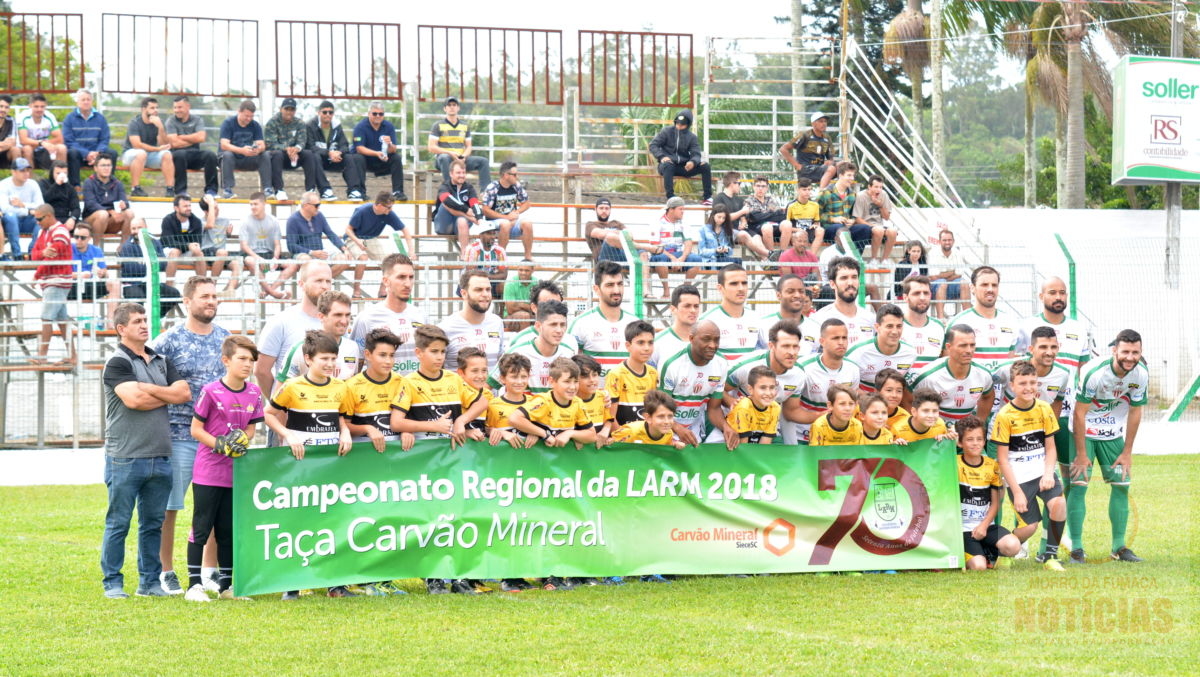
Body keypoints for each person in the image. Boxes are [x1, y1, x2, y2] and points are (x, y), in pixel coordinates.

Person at [100, 302, 191, 599]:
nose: (143, 325)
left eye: (145, 320)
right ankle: (112, 583)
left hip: (161, 454)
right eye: (136, 321)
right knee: (119, 522)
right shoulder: (117, 362)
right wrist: (165, 395)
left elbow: (184, 393)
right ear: (121, 329)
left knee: (153, 523)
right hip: (125, 456)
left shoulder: (160, 360)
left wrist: (148, 389)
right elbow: (134, 401)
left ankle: (149, 583)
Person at [146, 276, 230, 594]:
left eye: (214, 296)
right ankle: (166, 570)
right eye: (204, 296)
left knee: (214, 505)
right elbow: (147, 376)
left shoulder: (227, 340)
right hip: (180, 434)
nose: (211, 301)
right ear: (187, 301)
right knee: (171, 507)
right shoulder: (167, 341)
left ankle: (210, 570)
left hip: (217, 438)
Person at [265, 330, 355, 599]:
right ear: (307, 358)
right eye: (324, 358)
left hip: (331, 467)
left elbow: (342, 418)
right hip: (301, 467)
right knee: (299, 523)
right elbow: (269, 414)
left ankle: (335, 584)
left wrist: (346, 432)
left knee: (333, 521)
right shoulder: (292, 387)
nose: (329, 364)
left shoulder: (341, 387)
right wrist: (288, 435)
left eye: (333, 358)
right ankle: (291, 584)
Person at [182, 335, 264, 602]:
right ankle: (194, 585)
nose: (247, 364)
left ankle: (226, 586)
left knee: (228, 529)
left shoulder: (253, 392)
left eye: (251, 360)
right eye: (241, 358)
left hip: (236, 473)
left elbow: (252, 426)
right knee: (202, 527)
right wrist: (220, 444)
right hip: (208, 472)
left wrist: (244, 438)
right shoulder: (211, 391)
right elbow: (196, 429)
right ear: (226, 360)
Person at [1069, 329, 1147, 565]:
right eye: (1125, 351)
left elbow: (1135, 411)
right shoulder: (1094, 371)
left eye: (1135, 352)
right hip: (1084, 429)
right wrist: (1082, 455)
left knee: (1122, 485)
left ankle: (1119, 547)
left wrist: (1127, 452)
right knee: (1079, 486)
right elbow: (1079, 413)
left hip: (1112, 431)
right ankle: (1077, 548)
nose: (1130, 357)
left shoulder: (1141, 374)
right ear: (1114, 350)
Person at [993, 360, 1067, 572]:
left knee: (1059, 505)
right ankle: (1005, 550)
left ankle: (1050, 556)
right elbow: (1003, 460)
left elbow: (1051, 448)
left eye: (1032, 382)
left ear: (1038, 384)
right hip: (1019, 478)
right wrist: (1016, 492)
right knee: (1029, 528)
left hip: (1042, 472)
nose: (1028, 388)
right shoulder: (1005, 415)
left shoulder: (1044, 408)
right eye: (1022, 383)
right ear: (1012, 386)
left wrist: (1048, 474)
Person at [1016, 276, 1095, 477]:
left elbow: (1084, 370)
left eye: (1062, 292)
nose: (1058, 297)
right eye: (1052, 292)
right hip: (1033, 410)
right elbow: (1016, 366)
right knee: (1036, 472)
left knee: (1070, 471)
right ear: (1041, 296)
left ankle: (1065, 508)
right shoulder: (1026, 326)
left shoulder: (1079, 328)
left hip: (1068, 410)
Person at [254, 260, 332, 396]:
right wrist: (279, 406)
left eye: (328, 281)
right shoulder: (281, 321)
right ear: (301, 284)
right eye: (318, 281)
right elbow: (261, 371)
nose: (324, 286)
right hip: (290, 410)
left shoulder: (335, 323)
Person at [725, 320, 807, 445]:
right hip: (733, 426)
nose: (792, 352)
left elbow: (790, 411)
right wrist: (732, 403)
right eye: (786, 346)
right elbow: (717, 389)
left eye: (795, 347)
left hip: (767, 428)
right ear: (771, 346)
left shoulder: (799, 374)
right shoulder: (747, 366)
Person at [956, 415, 1020, 570]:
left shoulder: (992, 466)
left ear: (984, 441)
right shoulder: (953, 463)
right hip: (963, 528)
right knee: (978, 567)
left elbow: (996, 502)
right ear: (959, 442)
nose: (975, 443)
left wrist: (984, 526)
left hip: (986, 525)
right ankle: (980, 554)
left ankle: (987, 550)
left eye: (979, 439)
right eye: (970, 439)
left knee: (1013, 546)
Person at [350, 254, 427, 376]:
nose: (408, 283)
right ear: (386, 281)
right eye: (401, 277)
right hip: (382, 393)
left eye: (411, 277)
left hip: (415, 393)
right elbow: (356, 365)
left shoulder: (420, 316)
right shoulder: (367, 318)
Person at [658, 320, 730, 449]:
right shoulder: (672, 364)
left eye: (716, 340)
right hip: (668, 428)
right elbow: (660, 409)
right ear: (691, 338)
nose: (713, 345)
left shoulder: (721, 363)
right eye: (706, 339)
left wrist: (725, 427)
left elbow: (713, 408)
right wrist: (678, 428)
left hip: (695, 431)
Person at [904, 324, 994, 422]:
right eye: (963, 345)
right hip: (936, 433)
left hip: (965, 433)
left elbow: (988, 397)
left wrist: (978, 423)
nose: (969, 350)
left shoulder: (983, 374)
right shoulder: (927, 375)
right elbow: (907, 399)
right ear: (948, 347)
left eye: (972, 345)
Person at [344, 328, 412, 452]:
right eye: (382, 355)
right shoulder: (351, 386)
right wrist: (367, 428)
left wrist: (407, 430)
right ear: (367, 355)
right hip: (364, 455)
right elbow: (344, 426)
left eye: (392, 355)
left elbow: (408, 418)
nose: (388, 361)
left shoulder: (402, 382)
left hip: (397, 454)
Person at [509, 357, 597, 450]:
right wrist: (544, 434)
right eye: (567, 382)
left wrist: (570, 433)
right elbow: (514, 418)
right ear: (551, 381)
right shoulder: (543, 401)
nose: (572, 387)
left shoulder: (578, 403)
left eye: (576, 382)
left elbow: (592, 435)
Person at [796, 319, 862, 444]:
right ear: (822, 341)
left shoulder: (853, 368)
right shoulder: (803, 367)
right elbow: (790, 409)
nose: (841, 342)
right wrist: (821, 416)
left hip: (838, 438)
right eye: (835, 338)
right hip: (802, 436)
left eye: (844, 338)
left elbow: (853, 404)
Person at [276, 290, 361, 382]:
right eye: (338, 315)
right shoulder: (300, 349)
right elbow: (281, 391)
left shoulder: (353, 347)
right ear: (321, 316)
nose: (344, 321)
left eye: (347, 315)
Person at [493, 300, 576, 393]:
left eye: (563, 325)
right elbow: (488, 385)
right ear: (538, 326)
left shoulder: (569, 353)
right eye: (553, 324)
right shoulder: (517, 352)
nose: (559, 330)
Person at [570, 261, 637, 375]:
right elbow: (569, 365)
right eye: (610, 285)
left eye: (620, 284)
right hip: (595, 392)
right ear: (596, 289)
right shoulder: (581, 323)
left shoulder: (634, 323)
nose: (616, 290)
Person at [949, 266, 1019, 372]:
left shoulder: (1011, 321)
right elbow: (948, 362)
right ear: (972, 288)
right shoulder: (958, 322)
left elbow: (1010, 362)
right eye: (984, 285)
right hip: (972, 388)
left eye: (994, 285)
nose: (990, 289)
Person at [801, 256, 876, 354]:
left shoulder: (870, 318)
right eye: (844, 278)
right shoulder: (818, 319)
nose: (850, 282)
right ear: (832, 284)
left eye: (854, 277)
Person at [31, 205, 76, 364]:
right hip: (52, 280)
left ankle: (42, 356)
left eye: (39, 219)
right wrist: (42, 253)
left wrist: (37, 274)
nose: (37, 222)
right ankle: (73, 356)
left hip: (58, 281)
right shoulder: (44, 232)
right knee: (62, 320)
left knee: (46, 318)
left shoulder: (60, 232)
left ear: (49, 216)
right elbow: (34, 254)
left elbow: (51, 258)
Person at [343, 192, 409, 298]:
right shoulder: (362, 210)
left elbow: (405, 230)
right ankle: (356, 290)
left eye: (392, 207)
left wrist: (411, 251)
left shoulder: (389, 213)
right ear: (379, 205)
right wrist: (357, 241)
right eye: (388, 207)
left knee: (389, 261)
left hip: (371, 238)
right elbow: (348, 229)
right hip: (353, 237)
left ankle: (382, 290)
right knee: (363, 257)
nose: (390, 210)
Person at [699, 263, 764, 363]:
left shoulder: (756, 318)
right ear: (720, 288)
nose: (741, 288)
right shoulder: (707, 320)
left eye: (744, 283)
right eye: (734, 284)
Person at [117, 218, 182, 318]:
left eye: (139, 228)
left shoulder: (155, 242)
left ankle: (155, 318)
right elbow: (130, 269)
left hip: (152, 282)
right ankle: (140, 323)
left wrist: (142, 264)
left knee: (174, 294)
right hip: (132, 284)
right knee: (137, 298)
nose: (136, 231)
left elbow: (163, 264)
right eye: (133, 228)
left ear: (146, 228)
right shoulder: (127, 246)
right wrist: (152, 264)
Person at [443, 269, 506, 370]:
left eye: (488, 289)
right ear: (464, 294)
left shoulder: (497, 322)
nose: (485, 294)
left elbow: (500, 363)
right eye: (478, 290)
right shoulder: (446, 327)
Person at [240, 191, 299, 300]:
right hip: (253, 255)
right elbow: (244, 246)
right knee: (250, 261)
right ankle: (273, 293)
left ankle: (269, 290)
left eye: (255, 204)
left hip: (269, 256)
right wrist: (258, 258)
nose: (252, 207)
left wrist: (275, 259)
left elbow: (277, 244)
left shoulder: (273, 220)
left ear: (264, 204)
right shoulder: (245, 221)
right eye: (251, 204)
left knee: (293, 264)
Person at [845, 304, 917, 392]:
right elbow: (845, 385)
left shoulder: (910, 354)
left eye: (899, 326)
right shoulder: (857, 352)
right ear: (877, 327)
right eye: (889, 326)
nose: (895, 331)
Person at [307, 100, 367, 201]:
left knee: (348, 157)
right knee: (314, 156)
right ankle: (325, 190)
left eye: (330, 112)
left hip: (335, 159)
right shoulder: (310, 125)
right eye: (324, 112)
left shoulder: (336, 126)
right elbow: (310, 146)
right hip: (319, 160)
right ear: (318, 113)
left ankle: (354, 191)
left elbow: (344, 145)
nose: (328, 115)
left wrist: (339, 153)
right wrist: (329, 153)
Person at [649, 109, 712, 204]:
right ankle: (670, 197)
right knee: (668, 165)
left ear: (688, 125)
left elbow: (696, 153)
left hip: (684, 167)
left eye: (682, 125)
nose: (679, 126)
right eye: (677, 123)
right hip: (667, 166)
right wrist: (661, 157)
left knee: (705, 166)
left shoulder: (692, 137)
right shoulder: (666, 131)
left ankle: (707, 197)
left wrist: (693, 162)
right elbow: (653, 145)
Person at [604, 320, 659, 426]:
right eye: (640, 342)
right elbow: (610, 417)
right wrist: (623, 438)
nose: (647, 348)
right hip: (623, 439)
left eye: (650, 343)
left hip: (645, 438)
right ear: (628, 345)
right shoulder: (616, 374)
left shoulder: (653, 373)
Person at [428, 96, 490, 188]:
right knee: (444, 158)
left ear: (458, 108)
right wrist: (449, 153)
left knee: (483, 161)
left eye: (454, 105)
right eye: (449, 105)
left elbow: (469, 146)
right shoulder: (437, 125)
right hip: (444, 160)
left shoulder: (465, 126)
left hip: (461, 159)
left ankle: (485, 192)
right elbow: (431, 147)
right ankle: (450, 189)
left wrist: (463, 157)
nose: (452, 107)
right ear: (445, 109)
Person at [351, 101, 407, 201]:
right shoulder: (360, 127)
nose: (378, 116)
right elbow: (359, 148)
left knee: (396, 158)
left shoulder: (388, 126)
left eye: (381, 114)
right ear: (369, 114)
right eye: (374, 113)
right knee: (357, 158)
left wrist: (390, 144)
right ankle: (360, 192)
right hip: (366, 161)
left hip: (382, 160)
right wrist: (376, 153)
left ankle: (398, 192)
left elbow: (393, 149)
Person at [286, 190, 352, 276]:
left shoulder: (319, 216)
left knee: (344, 259)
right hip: (303, 254)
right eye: (317, 205)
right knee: (307, 261)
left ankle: (323, 280)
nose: (319, 208)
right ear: (306, 205)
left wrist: (344, 249)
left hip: (320, 253)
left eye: (319, 205)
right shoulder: (293, 220)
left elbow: (330, 234)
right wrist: (311, 252)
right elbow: (291, 246)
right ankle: (319, 282)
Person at [121, 97, 176, 198]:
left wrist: (160, 127)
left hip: (149, 155)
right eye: (152, 108)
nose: (156, 111)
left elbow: (164, 144)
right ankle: (135, 188)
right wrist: (157, 149)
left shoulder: (159, 122)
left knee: (167, 154)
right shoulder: (135, 123)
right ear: (143, 109)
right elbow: (137, 145)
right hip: (130, 154)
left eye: (157, 108)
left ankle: (170, 189)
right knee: (141, 153)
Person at [648, 196, 702, 296]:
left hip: (679, 254)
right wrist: (672, 258)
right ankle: (666, 290)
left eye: (683, 209)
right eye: (680, 209)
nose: (683, 212)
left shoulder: (684, 222)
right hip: (662, 253)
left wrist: (682, 258)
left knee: (697, 259)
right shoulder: (657, 222)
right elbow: (655, 245)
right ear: (671, 209)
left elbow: (688, 243)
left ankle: (685, 289)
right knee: (660, 259)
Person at [165, 95, 218, 198]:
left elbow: (201, 137)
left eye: (180, 107)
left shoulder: (197, 119)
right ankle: (181, 192)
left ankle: (211, 191)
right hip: (178, 157)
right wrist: (193, 139)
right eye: (175, 107)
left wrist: (182, 137)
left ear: (188, 106)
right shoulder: (170, 121)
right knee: (180, 154)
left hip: (194, 154)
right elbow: (174, 143)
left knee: (210, 155)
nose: (177, 110)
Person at [480, 161, 534, 260]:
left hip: (511, 222)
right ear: (505, 175)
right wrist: (507, 217)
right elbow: (485, 210)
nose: (516, 177)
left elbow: (527, 204)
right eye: (514, 174)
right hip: (493, 224)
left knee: (527, 223)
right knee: (505, 224)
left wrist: (516, 212)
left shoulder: (516, 186)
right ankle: (500, 257)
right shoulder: (493, 187)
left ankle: (528, 257)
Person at [264, 98, 317, 200]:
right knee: (276, 154)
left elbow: (302, 141)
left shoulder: (300, 123)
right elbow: (270, 143)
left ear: (295, 111)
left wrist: (296, 149)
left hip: (295, 156)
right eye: (286, 109)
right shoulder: (272, 122)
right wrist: (286, 149)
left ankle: (311, 189)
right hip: (280, 158)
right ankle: (279, 190)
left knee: (309, 154)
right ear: (281, 109)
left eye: (292, 109)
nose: (289, 112)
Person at [505, 280, 579, 353]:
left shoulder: (570, 342)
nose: (553, 309)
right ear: (534, 307)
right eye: (546, 304)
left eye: (557, 304)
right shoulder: (519, 341)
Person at [217, 100, 271, 199]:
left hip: (247, 158)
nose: (249, 119)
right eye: (246, 116)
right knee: (227, 155)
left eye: (251, 116)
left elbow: (262, 144)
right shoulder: (228, 123)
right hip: (231, 159)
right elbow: (224, 145)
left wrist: (257, 150)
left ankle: (268, 189)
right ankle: (227, 190)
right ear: (239, 111)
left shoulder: (255, 125)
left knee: (265, 154)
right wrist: (242, 150)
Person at [68, 223, 120, 323]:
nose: (78, 240)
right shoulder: (67, 249)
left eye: (82, 238)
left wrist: (102, 273)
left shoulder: (96, 250)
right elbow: (62, 273)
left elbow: (105, 272)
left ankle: (111, 323)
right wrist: (79, 275)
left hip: (91, 285)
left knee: (115, 284)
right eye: (76, 237)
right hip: (72, 287)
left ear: (89, 238)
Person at [82, 154, 132, 249]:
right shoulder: (89, 182)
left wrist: (123, 205)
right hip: (92, 221)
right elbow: (90, 204)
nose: (106, 168)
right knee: (102, 214)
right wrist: (110, 211)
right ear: (95, 168)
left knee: (129, 213)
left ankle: (124, 248)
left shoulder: (117, 183)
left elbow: (126, 202)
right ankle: (96, 249)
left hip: (112, 221)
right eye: (103, 165)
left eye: (108, 165)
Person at [62, 89, 111, 188]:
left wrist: (98, 152)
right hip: (78, 155)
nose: (86, 102)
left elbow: (105, 138)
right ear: (77, 101)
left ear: (92, 101)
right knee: (72, 153)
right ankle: (75, 186)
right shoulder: (69, 118)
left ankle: (107, 185)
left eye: (88, 99)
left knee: (112, 153)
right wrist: (86, 153)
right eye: (83, 99)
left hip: (97, 154)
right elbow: (69, 140)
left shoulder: (100, 118)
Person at [433, 159, 481, 256]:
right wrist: (466, 211)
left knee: (463, 220)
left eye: (463, 172)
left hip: (460, 225)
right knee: (445, 204)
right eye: (458, 173)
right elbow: (448, 203)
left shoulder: (469, 188)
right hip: (444, 226)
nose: (462, 175)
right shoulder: (444, 187)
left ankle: (464, 255)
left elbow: (474, 204)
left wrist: (479, 218)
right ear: (451, 174)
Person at [817, 161, 870, 249]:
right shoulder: (825, 193)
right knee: (840, 228)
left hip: (846, 228)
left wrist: (852, 221)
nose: (852, 178)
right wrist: (833, 219)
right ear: (840, 175)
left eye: (853, 175)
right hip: (829, 229)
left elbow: (854, 215)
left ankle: (855, 258)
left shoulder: (852, 195)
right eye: (849, 175)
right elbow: (815, 215)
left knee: (865, 229)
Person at [585, 197, 657, 263]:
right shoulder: (590, 224)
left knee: (642, 253)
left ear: (610, 210)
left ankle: (643, 277)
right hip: (604, 258)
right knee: (610, 237)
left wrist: (616, 233)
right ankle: (647, 247)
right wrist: (620, 233)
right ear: (595, 209)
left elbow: (630, 236)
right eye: (601, 208)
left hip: (620, 254)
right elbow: (601, 234)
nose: (604, 211)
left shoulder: (616, 223)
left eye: (607, 208)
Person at [779, 111, 837, 190]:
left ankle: (841, 195)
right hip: (806, 170)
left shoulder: (827, 138)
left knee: (844, 166)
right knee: (832, 169)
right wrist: (797, 165)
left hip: (820, 169)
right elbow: (783, 149)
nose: (824, 124)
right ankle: (822, 193)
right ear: (813, 124)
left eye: (825, 121)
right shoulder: (805, 135)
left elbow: (830, 158)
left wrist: (830, 161)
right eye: (820, 121)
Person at [611, 389, 685, 449]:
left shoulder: (668, 433)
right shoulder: (630, 431)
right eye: (661, 416)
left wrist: (675, 445)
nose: (667, 421)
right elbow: (610, 447)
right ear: (648, 418)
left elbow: (664, 454)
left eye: (670, 416)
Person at [160, 194, 209, 284]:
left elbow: (197, 242)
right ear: (176, 208)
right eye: (185, 206)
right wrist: (187, 245)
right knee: (175, 251)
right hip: (169, 251)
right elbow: (168, 241)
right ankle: (169, 287)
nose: (188, 208)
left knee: (199, 253)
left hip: (187, 252)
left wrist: (193, 247)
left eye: (189, 205)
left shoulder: (196, 221)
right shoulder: (168, 220)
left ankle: (202, 285)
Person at [0, 156, 43, 259]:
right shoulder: (3, 184)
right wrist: (27, 211)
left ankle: (33, 252)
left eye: (28, 170)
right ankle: (17, 253)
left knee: (41, 218)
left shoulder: (33, 184)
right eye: (22, 170)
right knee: (11, 216)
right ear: (13, 172)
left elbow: (41, 206)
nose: (26, 173)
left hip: (28, 221)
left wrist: (23, 204)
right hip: (10, 222)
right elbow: (5, 209)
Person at [900, 276, 945, 372]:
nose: (922, 297)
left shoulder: (939, 327)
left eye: (926, 293)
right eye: (916, 293)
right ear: (905, 297)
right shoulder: (895, 325)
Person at [726, 366, 780, 445]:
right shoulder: (744, 407)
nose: (768, 393)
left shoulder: (775, 407)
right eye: (763, 388)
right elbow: (743, 446)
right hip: (731, 445)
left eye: (772, 388)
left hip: (752, 446)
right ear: (750, 389)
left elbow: (765, 443)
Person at [851, 174, 898, 265]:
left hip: (879, 224)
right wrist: (872, 226)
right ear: (869, 187)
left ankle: (884, 259)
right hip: (865, 225)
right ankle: (873, 259)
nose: (878, 190)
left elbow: (886, 217)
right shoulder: (861, 196)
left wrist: (880, 206)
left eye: (881, 187)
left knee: (893, 231)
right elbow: (857, 219)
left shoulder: (883, 195)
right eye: (876, 187)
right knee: (879, 230)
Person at [651, 283, 701, 367]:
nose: (693, 310)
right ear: (673, 309)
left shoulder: (705, 341)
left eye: (696, 306)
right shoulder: (657, 342)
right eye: (687, 306)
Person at [927, 229, 971, 319]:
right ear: (939, 241)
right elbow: (933, 276)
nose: (947, 242)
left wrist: (942, 275)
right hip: (936, 288)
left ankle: (968, 317)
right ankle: (941, 318)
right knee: (942, 283)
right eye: (944, 240)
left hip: (951, 286)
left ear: (953, 241)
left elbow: (959, 274)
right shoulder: (933, 253)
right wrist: (951, 272)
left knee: (965, 283)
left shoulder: (958, 253)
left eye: (949, 240)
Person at [757, 275, 811, 347]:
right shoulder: (762, 325)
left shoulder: (816, 327)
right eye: (790, 291)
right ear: (778, 295)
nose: (797, 295)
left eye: (801, 291)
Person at [16, 93, 66, 170]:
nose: (39, 109)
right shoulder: (23, 117)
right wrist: (42, 143)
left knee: (61, 148)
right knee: (27, 149)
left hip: (44, 148)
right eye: (36, 106)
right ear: (30, 106)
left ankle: (60, 179)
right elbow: (23, 140)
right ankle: (29, 180)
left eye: (42, 107)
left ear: (45, 106)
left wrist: (46, 144)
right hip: (29, 148)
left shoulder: (49, 116)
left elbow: (59, 139)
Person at [573, 353, 614, 444]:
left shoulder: (603, 396)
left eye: (594, 375)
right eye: (585, 376)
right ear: (574, 379)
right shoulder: (567, 401)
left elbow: (609, 419)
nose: (592, 380)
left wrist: (606, 430)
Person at [891, 388, 956, 443]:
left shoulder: (940, 424)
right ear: (914, 411)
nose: (931, 415)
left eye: (935, 411)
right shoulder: (898, 429)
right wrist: (896, 445)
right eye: (925, 411)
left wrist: (945, 439)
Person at [743, 177, 788, 253]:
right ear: (753, 187)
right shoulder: (749, 201)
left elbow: (781, 215)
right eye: (758, 186)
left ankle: (783, 255)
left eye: (763, 186)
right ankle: (771, 256)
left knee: (787, 224)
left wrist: (764, 216)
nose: (760, 188)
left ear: (767, 188)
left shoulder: (770, 199)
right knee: (767, 227)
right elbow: (756, 218)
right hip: (757, 228)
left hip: (773, 226)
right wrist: (772, 214)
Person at [464, 221, 507, 297]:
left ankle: (501, 309)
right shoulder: (472, 249)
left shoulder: (500, 250)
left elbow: (504, 274)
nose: (492, 236)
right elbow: (470, 273)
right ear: (480, 235)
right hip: (475, 281)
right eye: (489, 233)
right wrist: (485, 278)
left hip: (492, 280)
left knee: (503, 285)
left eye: (494, 233)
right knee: (471, 282)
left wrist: (488, 277)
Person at [39, 160, 80, 228]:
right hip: (48, 217)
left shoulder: (70, 188)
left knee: (82, 226)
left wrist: (72, 218)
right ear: (52, 173)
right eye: (58, 173)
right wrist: (56, 184)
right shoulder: (44, 183)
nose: (62, 175)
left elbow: (76, 208)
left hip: (65, 217)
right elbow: (45, 199)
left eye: (65, 173)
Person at [697, 204, 739, 268]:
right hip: (709, 261)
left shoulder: (727, 229)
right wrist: (715, 250)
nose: (721, 220)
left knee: (739, 262)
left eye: (724, 218)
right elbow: (701, 251)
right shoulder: (703, 229)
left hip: (723, 259)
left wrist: (727, 249)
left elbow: (731, 251)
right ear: (713, 216)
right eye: (719, 217)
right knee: (735, 264)